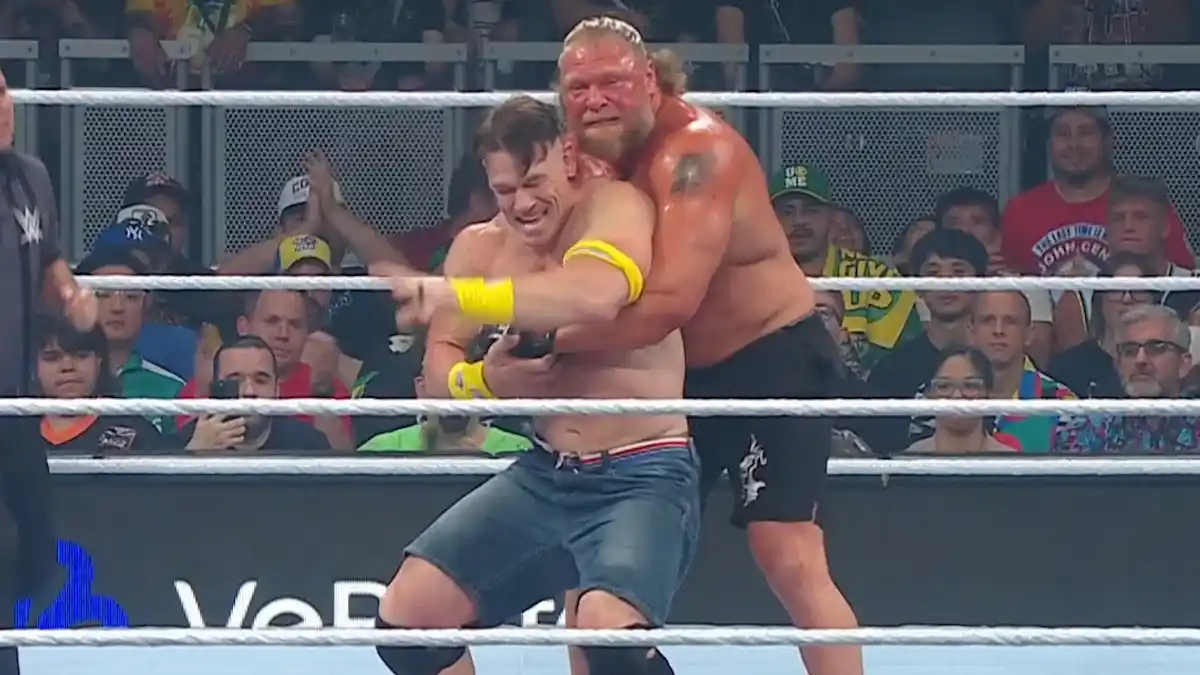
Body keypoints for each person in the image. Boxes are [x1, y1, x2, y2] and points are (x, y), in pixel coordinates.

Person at [552, 16, 861, 675]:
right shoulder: (582, 159)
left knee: (789, 553)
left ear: (652, 80)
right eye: (578, 88)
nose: (595, 100)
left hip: (770, 359)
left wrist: (551, 340)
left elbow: (670, 300)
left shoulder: (697, 153)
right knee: (597, 560)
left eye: (611, 82)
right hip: (675, 375)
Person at [377, 95, 699, 675]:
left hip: (642, 471)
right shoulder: (481, 248)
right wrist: (482, 380)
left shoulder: (614, 207)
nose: (522, 204)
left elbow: (593, 295)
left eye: (533, 182)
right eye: (505, 190)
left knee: (609, 640)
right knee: (408, 621)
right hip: (546, 474)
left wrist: (463, 296)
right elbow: (439, 369)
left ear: (569, 156)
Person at [0, 65, 98, 675]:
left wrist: (72, 296)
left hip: (14, 405)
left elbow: (51, 261)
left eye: (2, 91)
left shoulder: (29, 177)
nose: (2, 107)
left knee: (37, 550)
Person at [33, 313, 164, 455]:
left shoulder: (137, 432)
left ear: (99, 360)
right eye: (52, 358)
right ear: (33, 367)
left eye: (81, 355)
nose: (68, 366)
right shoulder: (16, 431)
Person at [177, 336, 332, 453]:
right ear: (215, 389)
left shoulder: (310, 446)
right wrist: (194, 455)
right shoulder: (183, 444)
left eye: (261, 381)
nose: (249, 392)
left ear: (277, 390)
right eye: (236, 380)